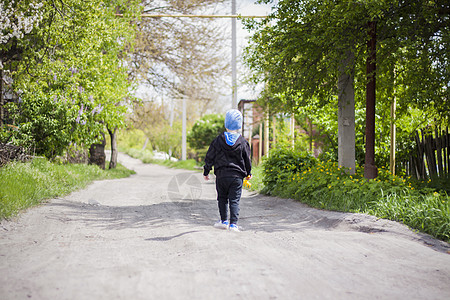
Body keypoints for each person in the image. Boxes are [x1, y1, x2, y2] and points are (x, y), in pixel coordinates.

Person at [203, 109, 252, 232]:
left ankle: (224, 221)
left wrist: (206, 171)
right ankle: (233, 224)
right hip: (237, 177)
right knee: (234, 200)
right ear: (239, 125)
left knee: (222, 198)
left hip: (221, 176)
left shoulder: (218, 140)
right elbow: (247, 159)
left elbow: (210, 156)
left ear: (226, 123)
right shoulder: (242, 142)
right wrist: (248, 173)